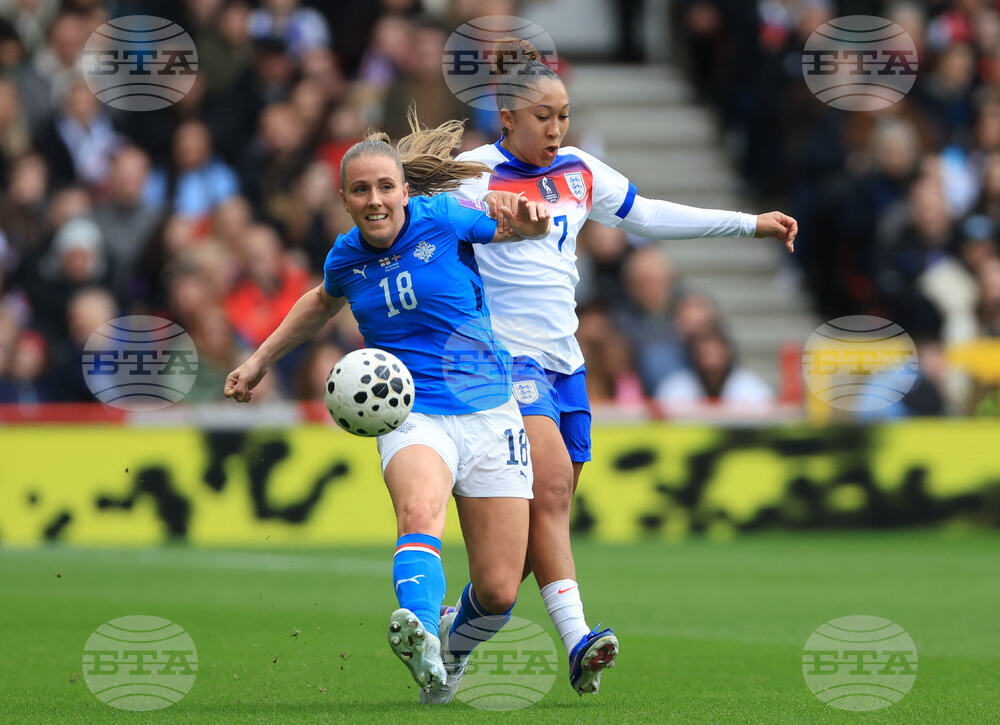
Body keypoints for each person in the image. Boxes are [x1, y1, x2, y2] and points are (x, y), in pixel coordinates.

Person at [453, 37, 798, 695]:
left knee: (534, 534)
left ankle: (457, 635)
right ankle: (579, 642)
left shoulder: (580, 171)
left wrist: (749, 223)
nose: (556, 128)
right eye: (542, 117)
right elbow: (405, 217)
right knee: (552, 487)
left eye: (563, 115)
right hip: (501, 360)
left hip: (566, 364)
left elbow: (651, 216)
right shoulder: (470, 175)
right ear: (508, 118)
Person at [223, 114, 551, 704]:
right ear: (344, 199)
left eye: (384, 187)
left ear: (403, 191)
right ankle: (418, 626)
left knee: (500, 591)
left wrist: (529, 225)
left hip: (489, 407)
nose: (374, 200)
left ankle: (450, 648)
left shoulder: (443, 216)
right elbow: (319, 303)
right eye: (360, 190)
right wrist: (259, 361)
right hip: (412, 411)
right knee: (419, 508)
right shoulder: (345, 258)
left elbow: (503, 229)